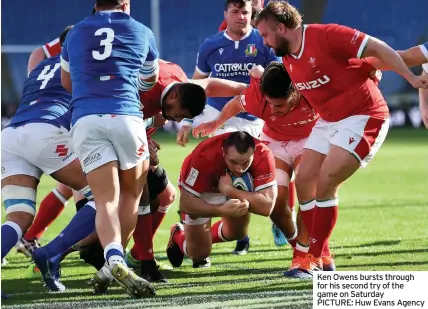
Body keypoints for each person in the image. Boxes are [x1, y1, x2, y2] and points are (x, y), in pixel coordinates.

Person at [255, 1, 428, 278]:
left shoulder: (326, 35)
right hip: (330, 120)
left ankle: (310, 258)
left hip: (365, 115)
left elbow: (378, 48)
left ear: (283, 27)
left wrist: (407, 76)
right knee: (305, 179)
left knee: (326, 181)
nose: (263, 41)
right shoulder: (287, 56)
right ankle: (323, 258)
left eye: (265, 34)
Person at [60, 0, 159, 297]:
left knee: (105, 200)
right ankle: (116, 258)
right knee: (132, 193)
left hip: (86, 118)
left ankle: (112, 259)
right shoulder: (142, 31)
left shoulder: (76, 32)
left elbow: (68, 82)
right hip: (126, 115)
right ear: (126, 3)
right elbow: (150, 79)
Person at [177, 0, 280, 256]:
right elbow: (197, 83)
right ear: (226, 14)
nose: (241, 17)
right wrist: (187, 121)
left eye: (245, 12)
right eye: (235, 12)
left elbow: (279, 79)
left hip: (251, 116)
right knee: (221, 168)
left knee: (250, 172)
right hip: (214, 113)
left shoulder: (264, 42)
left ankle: (238, 229)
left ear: (251, 13)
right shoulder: (211, 44)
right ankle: (204, 222)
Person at [1, 26, 95, 294]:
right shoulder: (82, 65)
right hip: (46, 132)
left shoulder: (42, 67)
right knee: (106, 195)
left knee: (19, 216)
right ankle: (52, 254)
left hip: (10, 134)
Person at [166, 131, 277, 268]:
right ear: (223, 152)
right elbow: (186, 203)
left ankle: (200, 238)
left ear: (254, 153)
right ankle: (178, 234)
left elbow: (267, 207)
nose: (239, 169)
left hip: (231, 188)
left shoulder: (264, 154)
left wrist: (230, 190)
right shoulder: (203, 155)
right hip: (203, 189)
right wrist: (221, 210)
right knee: (199, 255)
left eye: (246, 163)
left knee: (237, 233)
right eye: (233, 162)